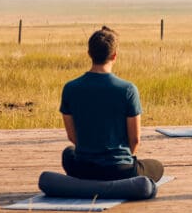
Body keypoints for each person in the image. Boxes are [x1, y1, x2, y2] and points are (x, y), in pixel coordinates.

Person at [59, 26, 164, 181]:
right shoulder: (128, 89)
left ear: (89, 54)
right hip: (120, 170)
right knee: (157, 167)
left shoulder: (70, 88)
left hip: (83, 168)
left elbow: (72, 136)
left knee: (68, 153)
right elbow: (134, 140)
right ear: (114, 55)